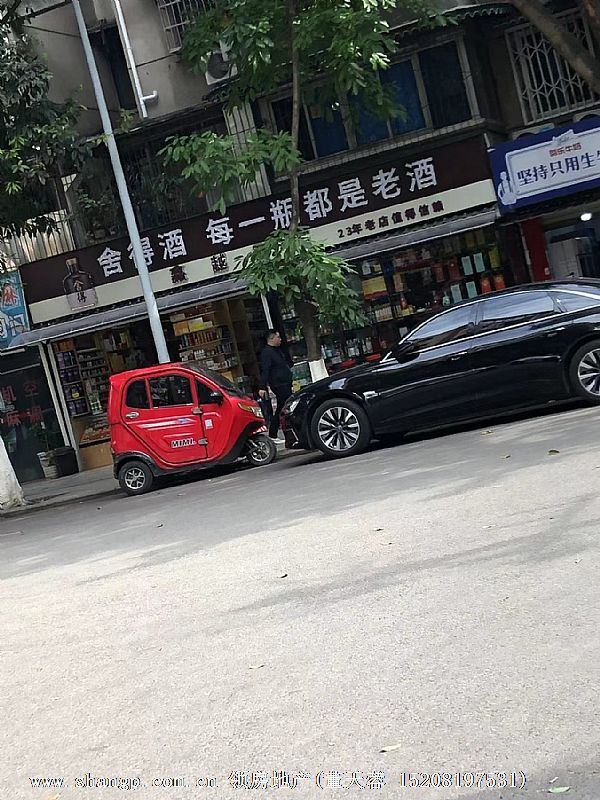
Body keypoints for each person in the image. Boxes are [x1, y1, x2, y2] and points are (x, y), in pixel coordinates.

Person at [259, 330, 293, 442]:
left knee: (283, 406)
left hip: (285, 382)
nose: (280, 339)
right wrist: (262, 386)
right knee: (282, 407)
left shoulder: (277, 351)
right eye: (278, 337)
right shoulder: (267, 353)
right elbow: (265, 370)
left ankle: (280, 432)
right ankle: (273, 432)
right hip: (278, 384)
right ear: (272, 338)